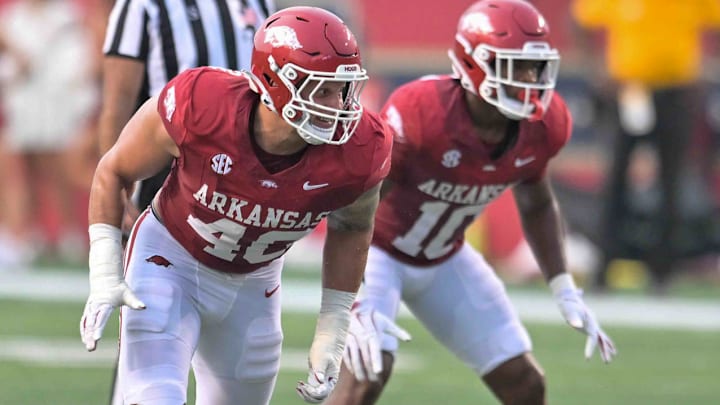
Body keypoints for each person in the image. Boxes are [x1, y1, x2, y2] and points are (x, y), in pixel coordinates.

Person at [79, 6, 392, 405]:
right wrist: (105, 269)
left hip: (254, 283)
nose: (339, 106)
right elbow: (113, 170)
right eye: (323, 89)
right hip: (168, 262)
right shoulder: (202, 104)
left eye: (345, 90)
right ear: (276, 82)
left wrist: (334, 324)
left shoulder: (361, 146)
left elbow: (353, 226)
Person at [325, 1, 616, 404]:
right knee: (368, 369)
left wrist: (564, 287)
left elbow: (536, 202)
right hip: (378, 252)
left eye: (535, 68)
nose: (529, 80)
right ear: (475, 63)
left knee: (525, 383)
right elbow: (360, 211)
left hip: (445, 257)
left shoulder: (544, 125)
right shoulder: (422, 112)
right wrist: (350, 297)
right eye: (515, 67)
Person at [572, 0, 720, 293]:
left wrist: (706, 68)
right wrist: (597, 70)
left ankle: (662, 273)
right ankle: (603, 268)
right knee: (614, 181)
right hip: (627, 89)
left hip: (676, 91)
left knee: (672, 182)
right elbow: (579, 21)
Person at [99, 0, 275, 233]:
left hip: (245, 162)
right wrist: (115, 193)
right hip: (170, 164)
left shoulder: (259, 2)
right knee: (162, 261)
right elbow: (117, 105)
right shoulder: (142, 5)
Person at [0, 0, 97, 266]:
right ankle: (28, 237)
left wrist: (75, 101)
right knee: (24, 170)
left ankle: (70, 236)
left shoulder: (67, 16)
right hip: (24, 106)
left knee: (60, 172)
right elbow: (8, 66)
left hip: (58, 109)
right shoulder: (12, 18)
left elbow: (78, 63)